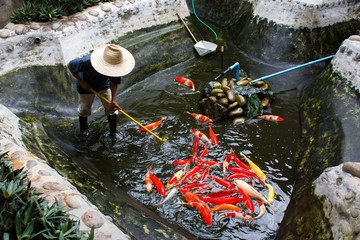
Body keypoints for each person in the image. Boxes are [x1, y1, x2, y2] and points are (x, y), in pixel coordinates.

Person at [67, 44, 135, 139]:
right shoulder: (86, 62)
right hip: (86, 85)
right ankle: (84, 129)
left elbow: (114, 82)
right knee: (84, 109)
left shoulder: (116, 67)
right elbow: (70, 65)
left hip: (103, 85)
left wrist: (114, 100)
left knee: (111, 109)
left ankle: (112, 132)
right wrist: (81, 81)